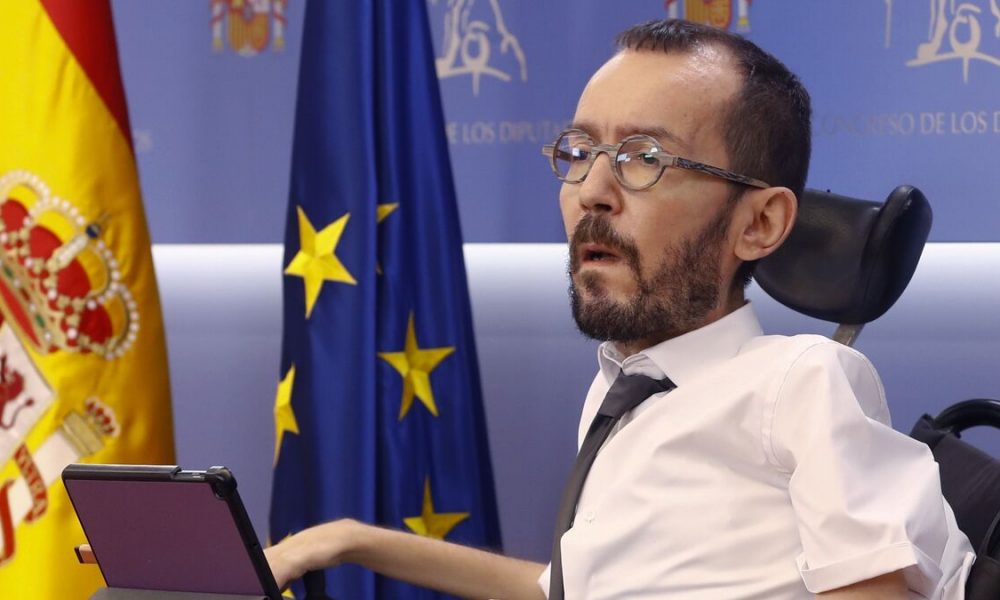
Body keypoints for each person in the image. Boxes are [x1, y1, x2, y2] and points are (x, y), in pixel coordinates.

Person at [265, 19, 974, 599]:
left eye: (644, 158)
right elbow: (570, 589)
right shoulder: (625, 388)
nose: (591, 192)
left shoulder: (803, 381)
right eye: (579, 151)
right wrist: (344, 540)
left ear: (759, 224)